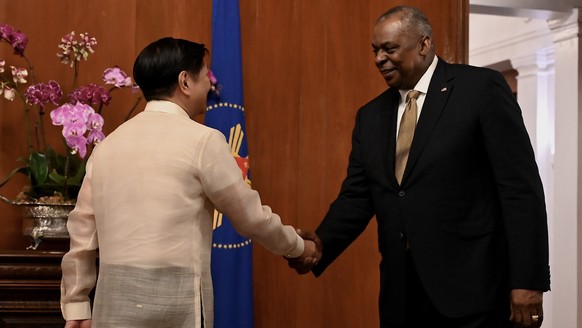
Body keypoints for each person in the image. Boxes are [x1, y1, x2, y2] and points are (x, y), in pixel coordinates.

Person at [288, 5, 550, 328]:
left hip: (475, 295)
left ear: (424, 45)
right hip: (402, 299)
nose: (379, 59)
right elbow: (357, 198)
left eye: (389, 48)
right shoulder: (370, 117)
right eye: (375, 50)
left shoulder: (481, 90)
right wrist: (319, 243)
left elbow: (520, 189)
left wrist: (528, 279)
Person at [60, 37, 318, 328]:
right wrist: (298, 247)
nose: (210, 85)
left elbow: (82, 231)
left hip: (113, 306)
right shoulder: (203, 141)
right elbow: (252, 218)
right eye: (205, 75)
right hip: (177, 307)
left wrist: (77, 303)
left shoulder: (107, 147)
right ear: (185, 81)